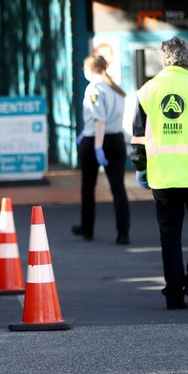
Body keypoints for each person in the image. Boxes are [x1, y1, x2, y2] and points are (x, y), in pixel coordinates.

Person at [131, 36, 188, 310]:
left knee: (170, 233)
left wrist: (141, 168)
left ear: (164, 59)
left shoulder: (147, 90)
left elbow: (139, 138)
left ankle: (174, 295)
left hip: (162, 176)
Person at [72, 54, 131, 244]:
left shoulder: (94, 89)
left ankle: (87, 228)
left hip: (96, 141)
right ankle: (123, 232)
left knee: (88, 187)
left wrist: (97, 147)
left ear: (90, 69)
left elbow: (100, 120)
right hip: (116, 140)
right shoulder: (116, 88)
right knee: (118, 188)